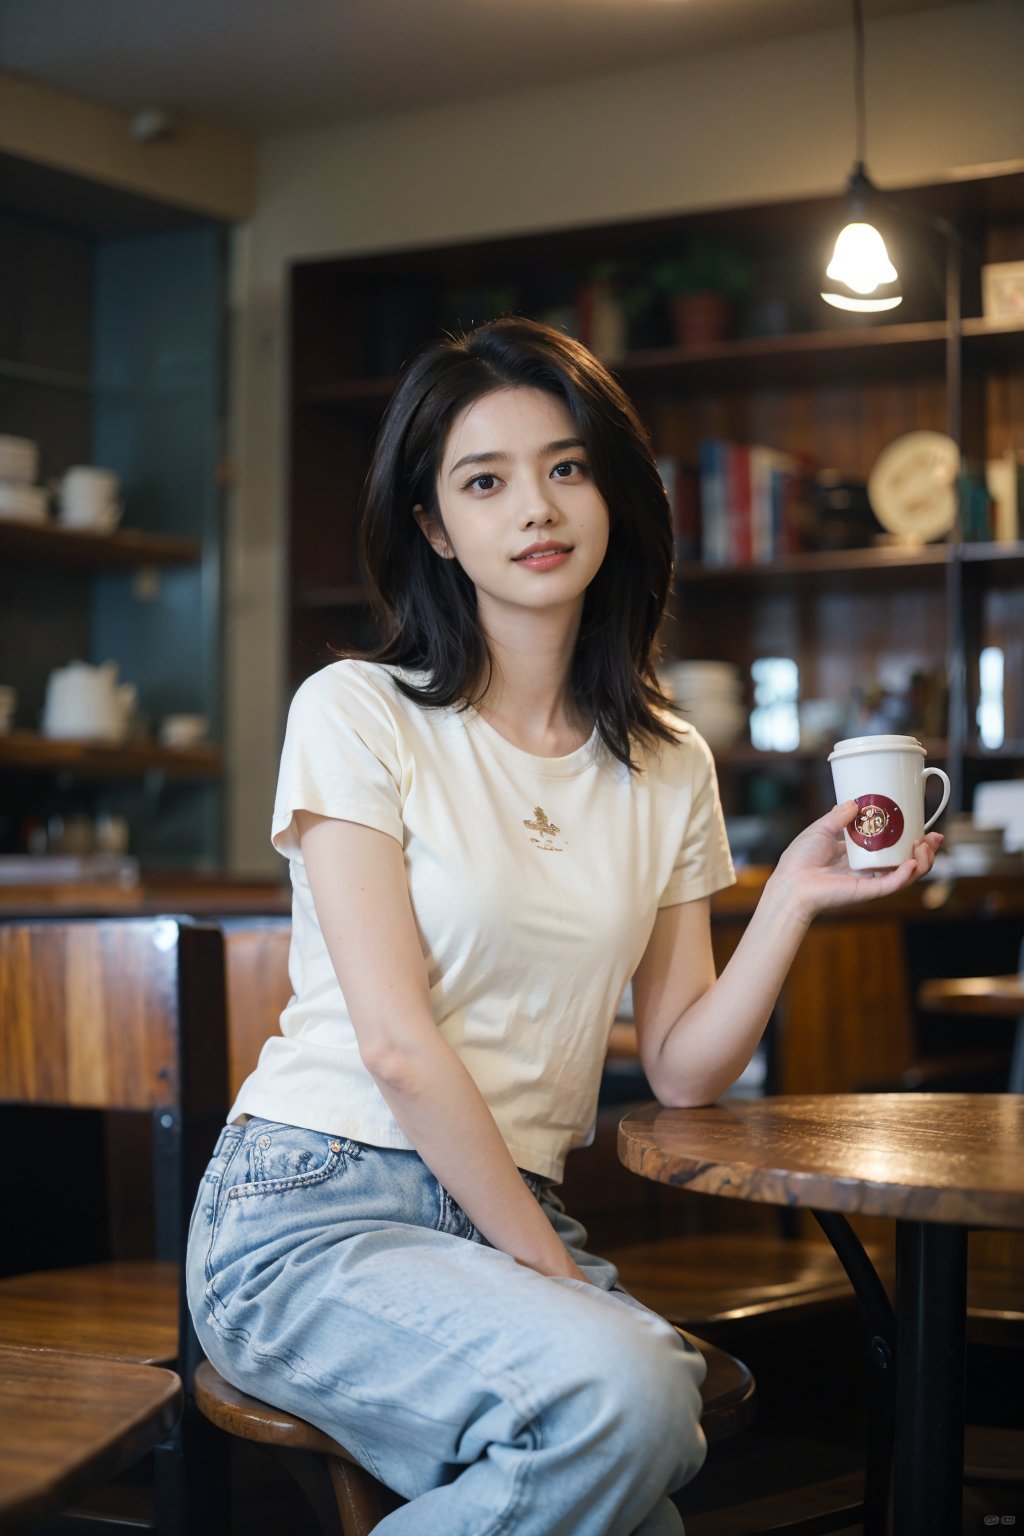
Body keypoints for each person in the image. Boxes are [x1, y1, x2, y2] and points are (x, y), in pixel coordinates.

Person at [186, 316, 941, 1535]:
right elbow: (393, 1046)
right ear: (436, 527)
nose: (534, 506)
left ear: (610, 491)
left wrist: (793, 896)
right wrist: (549, 1270)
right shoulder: (357, 711)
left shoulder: (665, 761)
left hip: (501, 1207)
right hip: (313, 1208)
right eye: (484, 481)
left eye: (566, 466)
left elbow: (687, 1062)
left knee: (638, 1470)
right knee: (639, 1403)